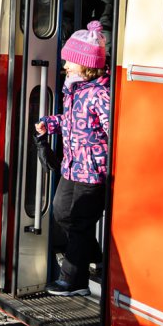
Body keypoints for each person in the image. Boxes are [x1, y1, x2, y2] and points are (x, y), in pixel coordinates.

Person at [34, 21, 112, 297]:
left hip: (92, 170)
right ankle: (97, 257)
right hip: (73, 165)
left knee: (79, 221)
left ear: (85, 65)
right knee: (61, 212)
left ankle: (73, 279)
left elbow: (112, 130)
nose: (65, 66)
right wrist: (51, 124)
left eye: (70, 61)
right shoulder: (75, 90)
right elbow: (71, 121)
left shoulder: (100, 93)